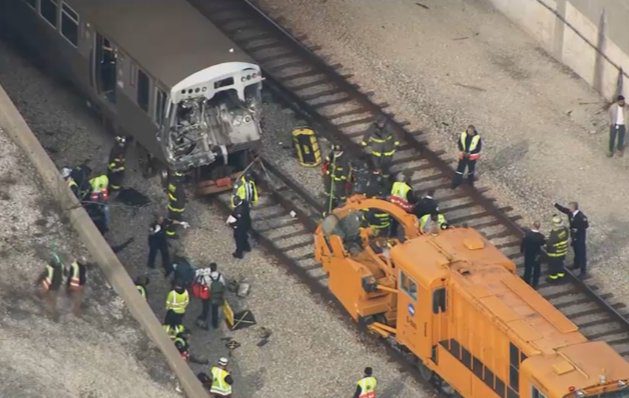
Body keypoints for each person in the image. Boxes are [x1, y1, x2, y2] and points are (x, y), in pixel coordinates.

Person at [554, 201, 589, 277]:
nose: (568, 208)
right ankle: (576, 264)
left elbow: (586, 225)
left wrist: (578, 229)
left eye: (570, 207)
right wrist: (556, 205)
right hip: (574, 236)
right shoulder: (571, 213)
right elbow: (564, 210)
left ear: (573, 208)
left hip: (580, 237)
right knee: (576, 250)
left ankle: (583, 271)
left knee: (582, 253)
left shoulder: (581, 216)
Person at [196, 263, 226, 330]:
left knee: (205, 308)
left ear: (210, 269)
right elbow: (223, 284)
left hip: (208, 296)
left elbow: (201, 283)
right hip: (216, 295)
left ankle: (204, 318)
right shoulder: (220, 276)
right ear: (216, 268)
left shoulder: (206, 277)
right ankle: (215, 324)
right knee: (215, 310)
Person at [322, 144, 351, 214]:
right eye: (334, 152)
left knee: (340, 190)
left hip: (339, 177)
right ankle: (330, 198)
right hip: (331, 174)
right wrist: (326, 164)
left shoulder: (344, 158)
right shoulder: (333, 153)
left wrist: (343, 179)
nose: (335, 153)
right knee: (329, 186)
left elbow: (345, 170)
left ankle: (343, 201)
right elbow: (327, 159)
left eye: (336, 152)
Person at [451, 125, 482, 189]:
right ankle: (455, 183)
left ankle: (470, 182)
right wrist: (462, 150)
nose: (469, 132)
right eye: (468, 130)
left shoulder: (477, 137)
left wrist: (470, 153)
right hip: (463, 154)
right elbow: (460, 143)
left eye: (471, 131)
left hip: (471, 156)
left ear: (474, 130)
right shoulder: (463, 135)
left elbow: (478, 148)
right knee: (460, 169)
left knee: (471, 170)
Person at [35, 253, 64, 318]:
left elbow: (43, 275)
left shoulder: (50, 268)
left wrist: (37, 282)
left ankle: (50, 313)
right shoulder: (61, 267)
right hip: (56, 287)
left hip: (49, 286)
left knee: (47, 299)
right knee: (53, 300)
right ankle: (54, 313)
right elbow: (65, 274)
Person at [520, 222, 546, 288]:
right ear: (539, 227)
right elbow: (543, 243)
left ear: (533, 226)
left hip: (528, 253)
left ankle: (526, 280)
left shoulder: (527, 234)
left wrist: (522, 250)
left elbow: (523, 243)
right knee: (536, 269)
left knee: (528, 267)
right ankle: (535, 283)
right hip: (536, 254)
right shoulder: (541, 236)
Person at [544, 215, 569, 283]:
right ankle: (561, 276)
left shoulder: (555, 234)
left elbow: (549, 243)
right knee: (560, 264)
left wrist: (545, 242)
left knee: (553, 266)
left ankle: (553, 279)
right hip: (563, 251)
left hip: (555, 253)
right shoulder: (565, 229)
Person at [166, 171, 186, 238]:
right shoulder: (179, 188)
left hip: (172, 205)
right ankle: (170, 233)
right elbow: (180, 199)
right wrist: (181, 208)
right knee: (176, 220)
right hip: (177, 208)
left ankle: (169, 224)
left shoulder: (172, 182)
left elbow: (172, 194)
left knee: (172, 217)